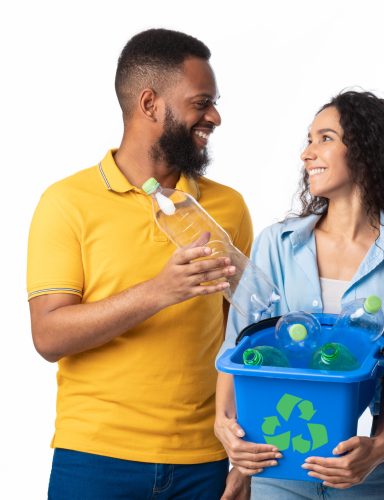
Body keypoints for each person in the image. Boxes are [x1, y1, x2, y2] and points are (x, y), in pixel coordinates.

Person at [215, 90, 384, 499]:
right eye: (308, 139)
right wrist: (226, 429)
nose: (306, 153)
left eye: (324, 138)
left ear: (366, 151)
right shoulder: (277, 244)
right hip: (277, 460)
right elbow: (241, 343)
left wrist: (379, 446)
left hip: (371, 469)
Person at [27, 28, 252, 500]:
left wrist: (245, 457)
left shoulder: (227, 208)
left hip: (205, 462)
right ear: (150, 104)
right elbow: (48, 336)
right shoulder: (67, 203)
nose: (214, 116)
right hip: (93, 460)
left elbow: (246, 340)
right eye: (201, 102)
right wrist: (158, 291)